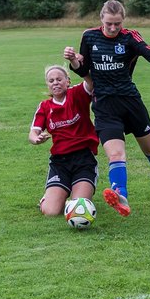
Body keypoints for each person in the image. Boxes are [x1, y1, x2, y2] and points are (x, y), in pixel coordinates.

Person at [63, 0, 150, 216]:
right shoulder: (89, 37)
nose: (113, 28)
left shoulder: (129, 37)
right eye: (109, 24)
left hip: (130, 103)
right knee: (116, 155)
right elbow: (84, 69)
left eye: (117, 24)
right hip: (105, 105)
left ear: (123, 21)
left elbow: (149, 51)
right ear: (101, 20)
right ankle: (121, 195)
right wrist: (73, 60)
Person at [29, 65, 98, 216]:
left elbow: (91, 83)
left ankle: (75, 191)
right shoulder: (45, 106)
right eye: (51, 80)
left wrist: (77, 63)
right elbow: (33, 132)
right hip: (60, 163)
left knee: (78, 207)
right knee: (51, 212)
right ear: (47, 84)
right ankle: (49, 199)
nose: (55, 83)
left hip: (83, 160)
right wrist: (36, 139)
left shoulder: (77, 94)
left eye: (59, 79)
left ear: (67, 81)